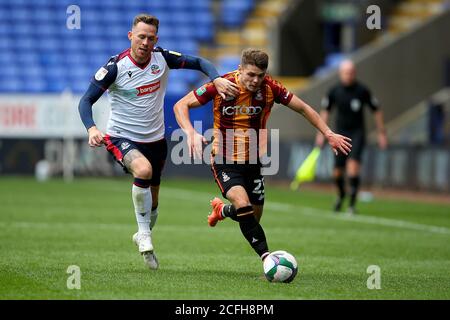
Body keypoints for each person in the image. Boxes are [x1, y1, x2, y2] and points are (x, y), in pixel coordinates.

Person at [78, 14, 239, 270]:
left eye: (150, 38)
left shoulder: (162, 58)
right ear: (131, 36)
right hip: (122, 136)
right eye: (141, 36)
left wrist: (215, 78)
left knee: (153, 205)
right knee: (143, 171)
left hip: (155, 140)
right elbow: (85, 100)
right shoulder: (114, 68)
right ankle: (144, 235)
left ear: (156, 40)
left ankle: (143, 231)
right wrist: (91, 128)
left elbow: (200, 61)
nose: (145, 42)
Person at [173, 48, 352, 264]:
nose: (256, 80)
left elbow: (303, 108)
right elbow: (180, 105)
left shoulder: (271, 88)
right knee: (244, 204)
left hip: (253, 161)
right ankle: (268, 258)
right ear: (240, 70)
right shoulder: (221, 85)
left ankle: (223, 210)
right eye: (251, 74)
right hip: (224, 159)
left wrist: (328, 133)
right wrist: (190, 132)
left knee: (251, 216)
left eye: (260, 75)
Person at [315, 59, 387, 214]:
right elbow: (325, 112)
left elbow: (376, 109)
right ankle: (341, 196)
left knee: (353, 167)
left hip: (357, 133)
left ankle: (352, 205)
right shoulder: (334, 91)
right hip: (339, 135)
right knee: (337, 172)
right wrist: (322, 134)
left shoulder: (362, 91)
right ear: (341, 74)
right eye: (346, 72)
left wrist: (382, 133)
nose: (349, 75)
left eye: (351, 72)